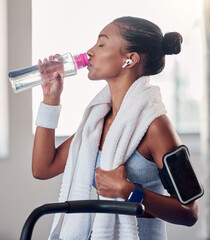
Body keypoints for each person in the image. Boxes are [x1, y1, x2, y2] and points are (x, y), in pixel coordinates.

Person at [32, 16, 199, 240]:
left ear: (129, 60)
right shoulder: (96, 123)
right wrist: (51, 99)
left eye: (101, 44)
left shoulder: (156, 127)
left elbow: (189, 212)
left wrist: (127, 190)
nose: (90, 51)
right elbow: (43, 168)